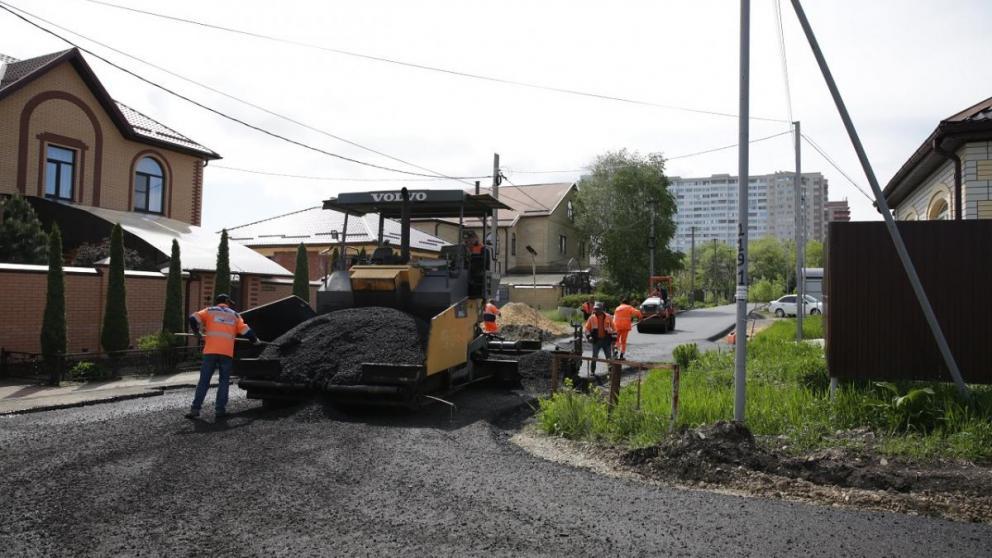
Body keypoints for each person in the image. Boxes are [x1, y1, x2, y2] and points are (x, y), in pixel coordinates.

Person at [185, 293, 259, 419]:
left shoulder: (209, 311)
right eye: (229, 302)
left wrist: (196, 332)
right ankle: (220, 411)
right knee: (223, 382)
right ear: (226, 301)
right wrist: (255, 340)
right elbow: (246, 330)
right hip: (226, 353)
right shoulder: (235, 315)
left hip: (210, 352)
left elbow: (192, 318)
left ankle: (195, 410)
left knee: (204, 381)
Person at [583, 302, 615, 376]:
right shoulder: (592, 318)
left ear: (601, 309)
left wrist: (614, 337)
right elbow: (586, 329)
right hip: (596, 341)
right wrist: (589, 336)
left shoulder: (608, 317)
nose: (596, 310)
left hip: (606, 340)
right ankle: (592, 372)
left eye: (597, 309)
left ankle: (610, 371)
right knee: (594, 357)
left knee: (608, 357)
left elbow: (614, 328)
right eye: (595, 309)